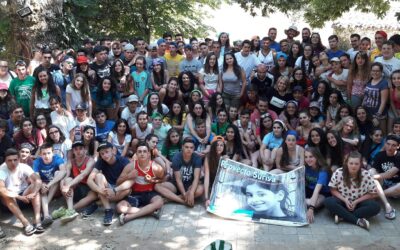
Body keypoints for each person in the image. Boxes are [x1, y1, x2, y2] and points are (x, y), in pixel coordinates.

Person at [324, 151, 380, 230]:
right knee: (328, 201)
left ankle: (342, 216)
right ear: (346, 163)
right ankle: (357, 220)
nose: (353, 166)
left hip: (359, 203)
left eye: (356, 164)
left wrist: (356, 201)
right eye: (351, 163)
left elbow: (372, 193)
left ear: (360, 164)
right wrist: (345, 200)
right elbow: (333, 190)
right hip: (343, 201)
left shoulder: (366, 174)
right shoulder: (338, 172)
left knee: (376, 207)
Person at [86, 142, 134, 225]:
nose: (105, 155)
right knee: (98, 176)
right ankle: (108, 210)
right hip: (107, 188)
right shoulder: (100, 162)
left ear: (113, 151)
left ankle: (98, 203)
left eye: (107, 152)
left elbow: (131, 180)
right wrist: (101, 191)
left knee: (128, 190)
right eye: (102, 153)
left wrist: (114, 190)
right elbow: (89, 180)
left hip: (120, 188)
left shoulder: (123, 160)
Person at [117, 142, 165, 225]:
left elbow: (162, 180)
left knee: (159, 202)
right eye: (139, 151)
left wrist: (152, 181)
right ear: (136, 154)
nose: (142, 154)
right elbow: (118, 182)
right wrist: (128, 176)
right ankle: (150, 212)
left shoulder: (156, 167)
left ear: (149, 154)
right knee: (119, 208)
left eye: (144, 151)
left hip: (150, 193)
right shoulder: (131, 166)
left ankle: (129, 217)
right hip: (134, 193)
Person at [0, 148, 43, 236]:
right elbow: (2, 189)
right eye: (10, 160)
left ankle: (37, 220)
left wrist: (34, 193)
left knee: (34, 186)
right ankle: (26, 223)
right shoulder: (2, 169)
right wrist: (19, 197)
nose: (13, 163)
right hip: (11, 201)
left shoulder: (24, 166)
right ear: (5, 161)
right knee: (6, 195)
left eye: (15, 160)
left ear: (19, 159)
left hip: (25, 196)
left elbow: (37, 180)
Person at [54, 140, 96, 223]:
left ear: (85, 150)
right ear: (73, 151)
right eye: (76, 149)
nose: (78, 151)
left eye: (80, 148)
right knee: (67, 179)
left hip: (88, 187)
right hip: (76, 188)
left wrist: (67, 186)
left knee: (94, 195)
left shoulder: (90, 160)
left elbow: (83, 175)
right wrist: (62, 185)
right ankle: (70, 210)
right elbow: (66, 174)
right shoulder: (70, 162)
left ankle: (69, 209)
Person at [155, 137, 204, 207]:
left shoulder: (197, 158)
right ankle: (182, 201)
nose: (189, 149)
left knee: (201, 189)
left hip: (190, 185)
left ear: (194, 149)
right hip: (176, 185)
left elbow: (196, 178)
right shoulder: (176, 158)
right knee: (157, 186)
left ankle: (170, 199)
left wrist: (192, 192)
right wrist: (184, 195)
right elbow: (178, 180)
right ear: (182, 147)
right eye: (186, 147)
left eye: (191, 148)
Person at [33, 143, 66, 227]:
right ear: (40, 154)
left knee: (57, 173)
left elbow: (63, 171)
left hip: (55, 186)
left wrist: (49, 184)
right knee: (41, 185)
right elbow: (36, 176)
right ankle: (47, 215)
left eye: (48, 153)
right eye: (44, 154)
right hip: (44, 188)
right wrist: (42, 185)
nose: (46, 156)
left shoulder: (57, 158)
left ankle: (43, 209)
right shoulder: (37, 162)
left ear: (53, 153)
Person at [369, 135, 400, 220]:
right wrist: (371, 175)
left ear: (398, 146)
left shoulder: (399, 156)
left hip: (396, 186)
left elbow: (390, 174)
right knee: (371, 171)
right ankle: (387, 205)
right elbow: (373, 170)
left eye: (393, 145)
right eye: (388, 144)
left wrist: (371, 177)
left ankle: (374, 196)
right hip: (383, 184)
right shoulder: (379, 155)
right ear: (385, 144)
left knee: (372, 176)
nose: (390, 147)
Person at [304, 147, 331, 223]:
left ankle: (303, 203)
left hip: (322, 193)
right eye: (306, 157)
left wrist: (311, 208)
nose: (308, 159)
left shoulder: (323, 170)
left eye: (311, 156)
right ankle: (304, 202)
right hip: (310, 190)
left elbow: (317, 189)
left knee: (314, 203)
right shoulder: (306, 167)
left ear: (317, 156)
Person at [203, 136, 226, 207]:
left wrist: (226, 162)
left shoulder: (225, 158)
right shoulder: (208, 158)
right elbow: (206, 177)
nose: (219, 147)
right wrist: (206, 198)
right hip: (211, 184)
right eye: (217, 145)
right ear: (213, 146)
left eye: (221, 145)